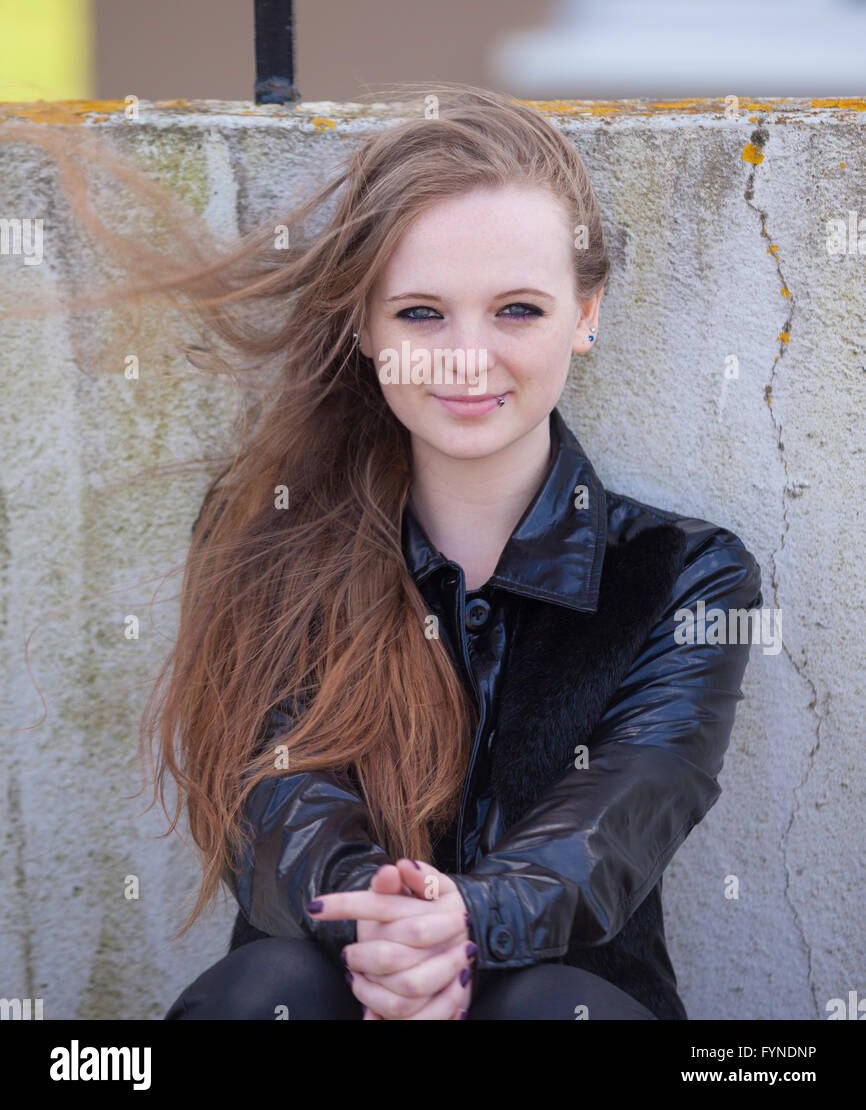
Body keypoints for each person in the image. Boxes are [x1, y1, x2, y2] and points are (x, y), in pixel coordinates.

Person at [119, 84, 758, 1021]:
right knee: (273, 994)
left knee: (548, 1008)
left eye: (517, 311)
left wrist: (470, 921)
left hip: (565, 997)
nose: (466, 358)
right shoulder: (264, 536)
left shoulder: (688, 577)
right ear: (365, 324)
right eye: (421, 313)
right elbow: (280, 804)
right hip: (329, 984)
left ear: (586, 312)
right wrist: (387, 926)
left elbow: (616, 824)